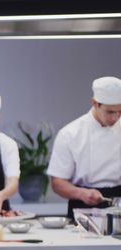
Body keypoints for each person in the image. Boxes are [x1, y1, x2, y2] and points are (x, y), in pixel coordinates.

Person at [47, 76, 121, 219]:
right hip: (83, 206)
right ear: (95, 103)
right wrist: (80, 193)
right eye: (110, 112)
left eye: (120, 112)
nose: (115, 118)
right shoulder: (70, 134)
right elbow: (58, 182)